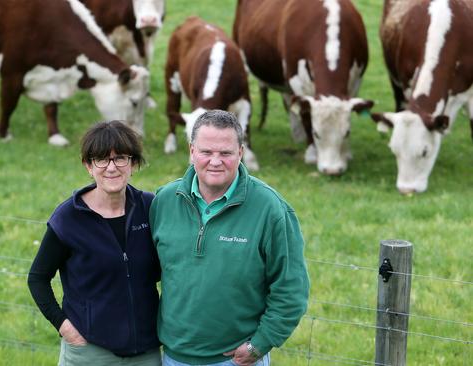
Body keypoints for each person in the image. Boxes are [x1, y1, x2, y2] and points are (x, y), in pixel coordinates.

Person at [149, 110, 310, 366]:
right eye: (206, 152)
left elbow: (291, 287)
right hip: (172, 357)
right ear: (192, 152)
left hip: (237, 360)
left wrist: (261, 343)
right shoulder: (165, 201)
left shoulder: (270, 209)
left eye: (225, 153)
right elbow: (145, 272)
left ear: (240, 153)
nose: (215, 161)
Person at [28, 120, 161, 365]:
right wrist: (65, 327)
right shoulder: (68, 218)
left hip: (147, 351)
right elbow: (37, 278)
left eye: (120, 158)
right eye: (101, 159)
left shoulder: (150, 208)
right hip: (90, 351)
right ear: (89, 166)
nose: (112, 167)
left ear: (132, 164)